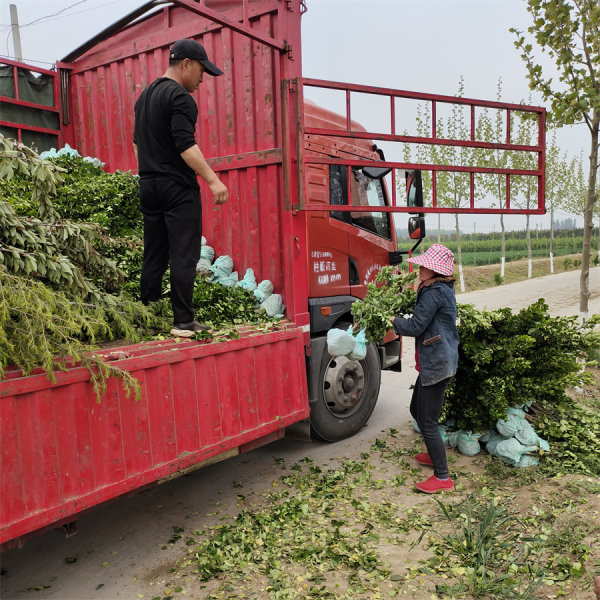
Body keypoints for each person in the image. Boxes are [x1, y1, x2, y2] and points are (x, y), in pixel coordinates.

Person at [133, 38, 228, 337]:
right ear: (186, 64)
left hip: (148, 184)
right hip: (176, 187)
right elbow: (186, 145)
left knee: (155, 252)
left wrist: (150, 171)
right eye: (201, 71)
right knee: (184, 254)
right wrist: (213, 180)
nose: (203, 79)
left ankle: (145, 312)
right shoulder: (180, 98)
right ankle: (184, 321)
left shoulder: (144, 97)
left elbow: (137, 145)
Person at [390, 244, 459, 494]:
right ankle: (433, 454)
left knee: (427, 422)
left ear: (436, 271)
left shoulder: (434, 293)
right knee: (416, 410)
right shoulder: (437, 288)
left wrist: (392, 322)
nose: (420, 269)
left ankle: (443, 477)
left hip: (437, 362)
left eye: (424, 266)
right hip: (434, 359)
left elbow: (416, 326)